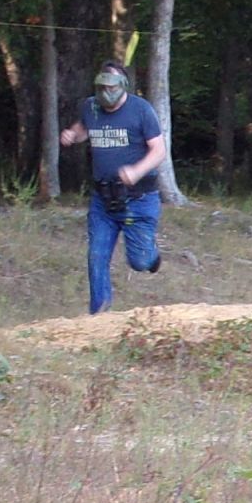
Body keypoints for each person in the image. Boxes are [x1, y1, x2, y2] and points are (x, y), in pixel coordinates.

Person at [59, 61, 166, 315]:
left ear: (123, 85)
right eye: (102, 87)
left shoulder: (141, 110)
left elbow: (159, 150)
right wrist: (72, 135)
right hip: (103, 200)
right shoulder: (91, 107)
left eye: (111, 87)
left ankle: (151, 257)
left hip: (138, 199)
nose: (106, 92)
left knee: (139, 261)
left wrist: (136, 171)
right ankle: (99, 314)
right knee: (96, 256)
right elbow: (84, 129)